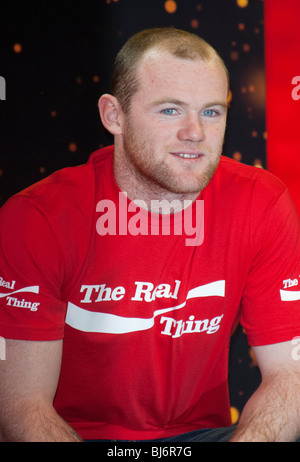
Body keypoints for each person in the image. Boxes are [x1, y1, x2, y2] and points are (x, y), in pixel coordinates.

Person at [0, 27, 300, 443]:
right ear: (113, 116)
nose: (195, 132)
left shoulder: (261, 202)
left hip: (202, 437)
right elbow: (20, 405)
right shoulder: (37, 218)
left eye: (211, 112)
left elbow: (292, 376)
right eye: (170, 110)